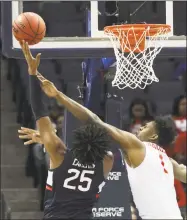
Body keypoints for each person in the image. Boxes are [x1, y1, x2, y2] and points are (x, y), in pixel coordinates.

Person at [20, 40, 186, 219]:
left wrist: (48, 88)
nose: (140, 127)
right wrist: (48, 139)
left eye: (146, 126)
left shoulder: (130, 148)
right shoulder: (164, 161)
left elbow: (93, 121)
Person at [18, 41, 114, 219]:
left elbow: (40, 112)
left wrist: (32, 73)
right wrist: (48, 139)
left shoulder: (59, 152)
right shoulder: (107, 160)